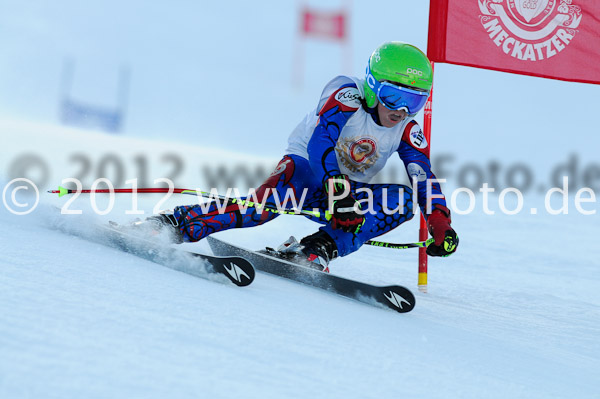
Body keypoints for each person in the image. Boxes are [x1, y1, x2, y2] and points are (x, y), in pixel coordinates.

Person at [149, 41, 458, 271]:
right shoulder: (347, 93)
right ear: (374, 86)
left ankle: (315, 249)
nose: (401, 111)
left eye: (414, 101)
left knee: (401, 201)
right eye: (395, 97)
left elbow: (423, 177)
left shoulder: (407, 128)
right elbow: (321, 142)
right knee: (260, 210)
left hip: (345, 194)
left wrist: (439, 222)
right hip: (306, 172)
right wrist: (340, 192)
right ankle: (172, 224)